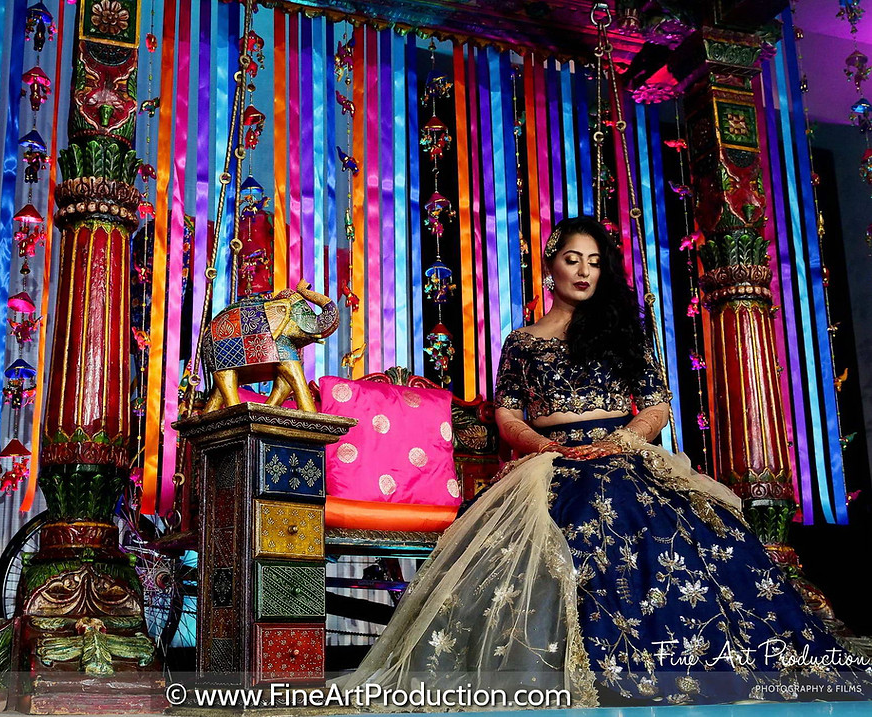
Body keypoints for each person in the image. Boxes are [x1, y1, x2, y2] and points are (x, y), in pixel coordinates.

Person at [331, 217, 871, 708]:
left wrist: (622, 441)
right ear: (550, 264)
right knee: (569, 515)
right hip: (549, 460)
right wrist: (545, 447)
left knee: (679, 526)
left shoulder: (621, 333)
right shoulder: (522, 343)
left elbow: (657, 405)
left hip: (621, 451)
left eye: (594, 261)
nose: (584, 271)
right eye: (573, 258)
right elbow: (507, 414)